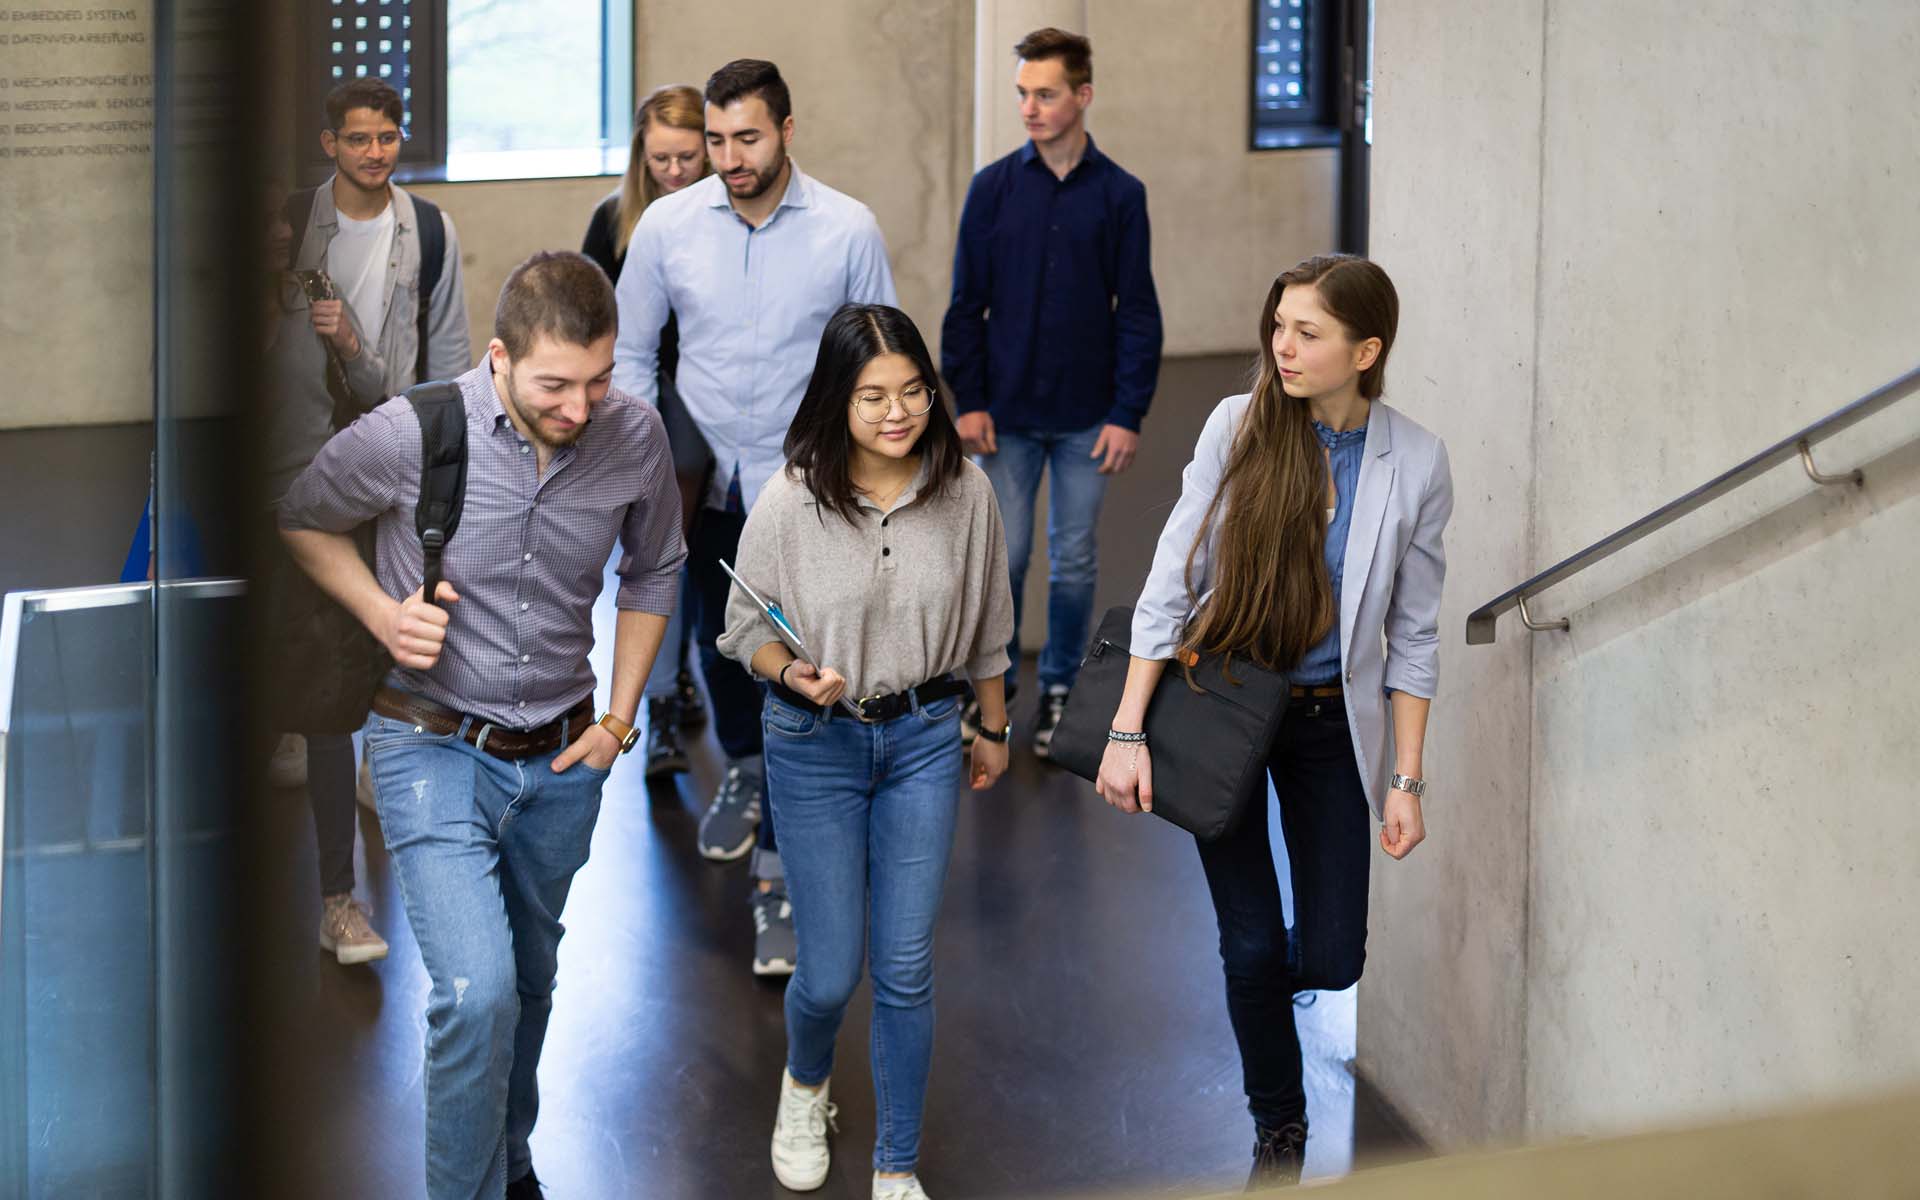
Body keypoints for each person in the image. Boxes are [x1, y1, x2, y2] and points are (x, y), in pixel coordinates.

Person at [279, 251, 685, 1200]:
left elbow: (657, 565)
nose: (581, 407)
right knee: (476, 992)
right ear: (500, 358)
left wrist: (621, 718)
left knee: (532, 982)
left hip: (564, 753)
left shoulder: (634, 435)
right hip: (427, 741)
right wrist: (383, 614)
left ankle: (511, 1164)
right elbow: (303, 516)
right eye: (556, 384)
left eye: (599, 379)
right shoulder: (409, 433)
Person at [1095, 255, 1452, 1189]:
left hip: (1333, 722)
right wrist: (1129, 732)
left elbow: (1413, 641)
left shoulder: (1414, 461)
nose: (1282, 348)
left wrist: (1406, 780)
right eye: (1279, 326)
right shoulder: (1238, 426)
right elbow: (1172, 578)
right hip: (1227, 710)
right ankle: (1279, 1131)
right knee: (1250, 945)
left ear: (1365, 351)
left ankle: (1272, 985)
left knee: (1332, 958)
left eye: (1309, 333)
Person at [718, 304, 1013, 1200]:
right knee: (829, 969)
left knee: (906, 966)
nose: (898, 413)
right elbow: (741, 627)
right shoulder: (789, 498)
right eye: (873, 396)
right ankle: (805, 1085)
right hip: (814, 747)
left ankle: (896, 1164)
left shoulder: (967, 492)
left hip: (926, 738)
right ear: (835, 401)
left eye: (914, 390)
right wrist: (788, 670)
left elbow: (991, 627)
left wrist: (994, 728)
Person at [614, 57, 898, 977]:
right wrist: (641, 462)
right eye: (717, 141)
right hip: (702, 477)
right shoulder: (666, 225)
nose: (729, 159)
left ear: (785, 129)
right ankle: (737, 757)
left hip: (809, 483)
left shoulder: (847, 228)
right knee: (721, 639)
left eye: (748, 139)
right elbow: (626, 351)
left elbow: (882, 361)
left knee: (799, 668)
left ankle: (778, 870)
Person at [941, 26, 1162, 757]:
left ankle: (1062, 686)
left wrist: (1127, 413)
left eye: (1045, 94)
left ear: (1083, 96)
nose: (1029, 108)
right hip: (1001, 417)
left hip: (1085, 419)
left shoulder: (1122, 195)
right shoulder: (993, 188)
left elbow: (1136, 310)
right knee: (1001, 562)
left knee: (1073, 562)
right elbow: (964, 302)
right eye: (1022, 95)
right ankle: (991, 695)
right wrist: (966, 399)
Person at [277, 77, 472, 807]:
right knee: (306, 579)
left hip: (393, 435)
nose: (374, 152)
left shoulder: (429, 227)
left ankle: (375, 752)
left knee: (396, 583)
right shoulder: (295, 218)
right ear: (330, 144)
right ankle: (301, 722)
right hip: (301, 438)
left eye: (386, 137)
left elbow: (447, 350)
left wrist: (445, 441)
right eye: (357, 139)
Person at [258, 180, 392, 966]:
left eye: (284, 220)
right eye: (264, 224)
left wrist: (345, 342)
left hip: (318, 517)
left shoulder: (314, 289)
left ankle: (340, 902)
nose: (281, 236)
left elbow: (374, 393)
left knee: (330, 710)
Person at [582, 83, 714, 780]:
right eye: (659, 158)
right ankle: (661, 699)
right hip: (643, 402)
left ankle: (684, 676)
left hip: (716, 401)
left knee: (694, 555)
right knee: (658, 553)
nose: (673, 172)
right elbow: (590, 322)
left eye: (687, 157)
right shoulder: (613, 220)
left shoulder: (728, 215)